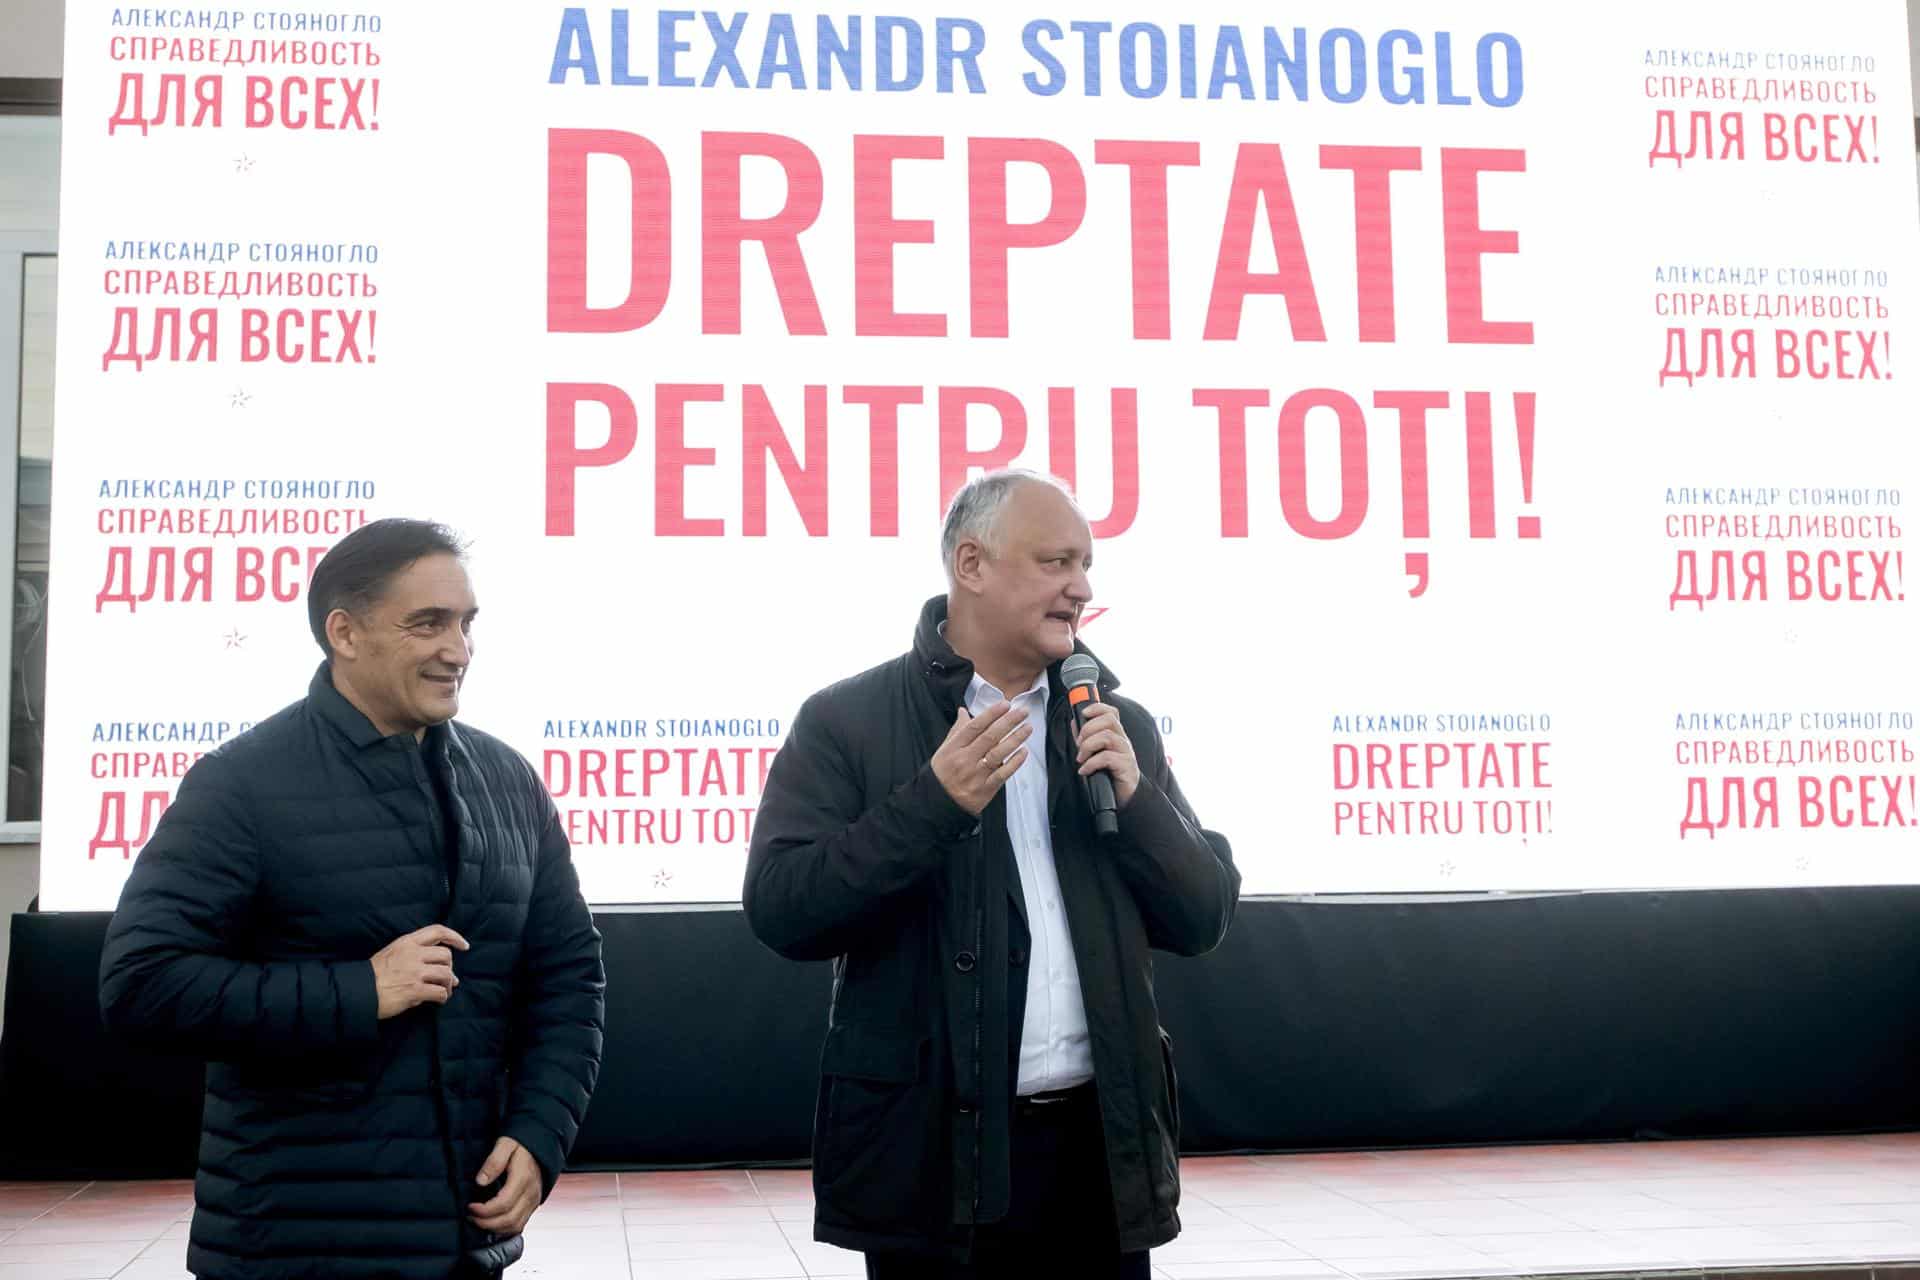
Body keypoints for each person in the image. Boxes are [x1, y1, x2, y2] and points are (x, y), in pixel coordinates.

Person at [744, 470, 1240, 1277]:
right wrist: (932, 806)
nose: (1081, 588)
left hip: (1099, 1161)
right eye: (1055, 563)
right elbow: (781, 909)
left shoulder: (1117, 725)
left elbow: (1205, 917)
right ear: (971, 565)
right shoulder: (846, 721)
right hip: (932, 1165)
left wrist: (1139, 802)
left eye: (1086, 566)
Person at [99, 518, 605, 1280]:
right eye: (427, 623)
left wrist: (542, 1134)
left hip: (465, 1248)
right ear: (345, 632)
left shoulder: (510, 783)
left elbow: (569, 977)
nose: (458, 650)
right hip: (289, 1249)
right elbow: (142, 984)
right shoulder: (242, 785)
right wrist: (358, 990)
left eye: (466, 624)